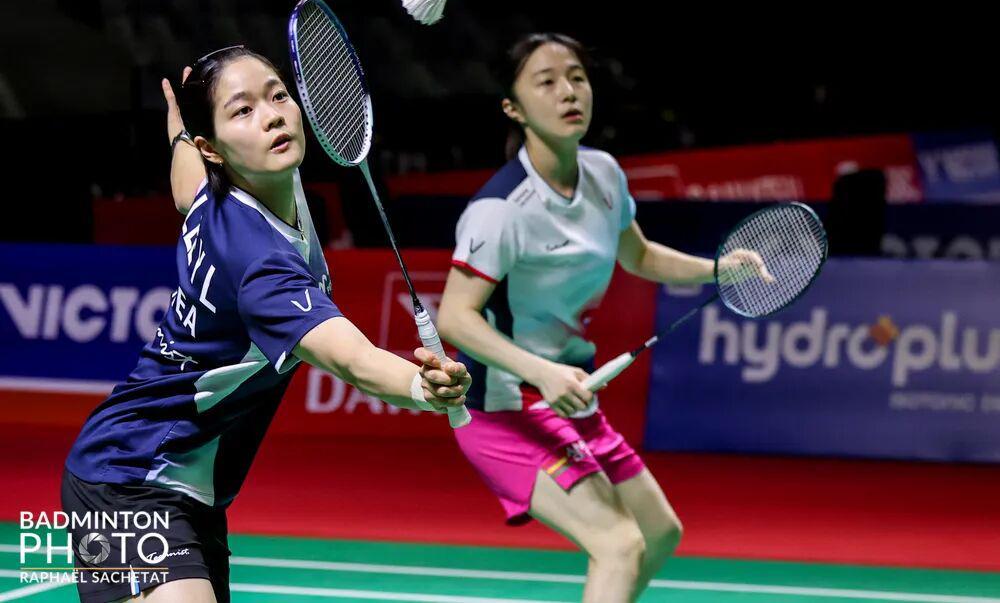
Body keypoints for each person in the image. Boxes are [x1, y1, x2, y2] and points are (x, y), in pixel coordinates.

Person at [62, 46, 471, 603]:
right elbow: (352, 359)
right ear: (215, 147)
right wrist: (423, 387)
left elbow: (186, 188)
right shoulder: (258, 263)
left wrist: (179, 131)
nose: (272, 116)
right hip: (131, 475)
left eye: (278, 96)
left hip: (188, 488)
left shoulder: (246, 185)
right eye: (243, 110)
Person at [436, 33, 768, 603]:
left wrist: (717, 271)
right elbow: (455, 318)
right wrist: (540, 372)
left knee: (660, 533)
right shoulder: (499, 209)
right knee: (618, 544)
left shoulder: (604, 174)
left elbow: (639, 255)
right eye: (546, 82)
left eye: (577, 77)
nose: (568, 92)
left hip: (571, 396)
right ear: (513, 108)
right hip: (505, 407)